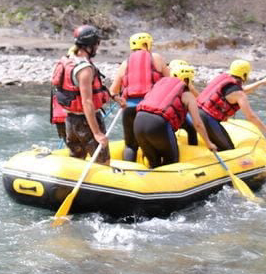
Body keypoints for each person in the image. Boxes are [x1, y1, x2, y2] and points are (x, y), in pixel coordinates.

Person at [134, 61, 216, 168]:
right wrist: (209, 143)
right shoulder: (187, 94)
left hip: (138, 122)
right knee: (171, 163)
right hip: (158, 125)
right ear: (188, 80)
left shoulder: (160, 84)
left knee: (154, 164)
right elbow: (197, 123)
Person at [51, 25, 113, 164]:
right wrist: (97, 133)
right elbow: (87, 102)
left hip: (70, 121)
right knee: (103, 162)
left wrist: (114, 96)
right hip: (86, 122)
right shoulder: (85, 69)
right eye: (96, 44)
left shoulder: (69, 60)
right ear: (90, 45)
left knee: (76, 160)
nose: (97, 47)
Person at [108, 32, 170, 162]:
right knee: (154, 145)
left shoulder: (125, 63)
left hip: (129, 109)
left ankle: (127, 174)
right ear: (147, 44)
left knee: (130, 146)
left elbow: (112, 91)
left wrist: (120, 100)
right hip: (150, 111)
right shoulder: (156, 58)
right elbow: (170, 83)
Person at [195, 59, 266, 151]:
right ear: (245, 75)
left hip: (193, 113)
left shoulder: (223, 78)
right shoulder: (238, 94)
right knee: (229, 149)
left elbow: (242, 90)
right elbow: (251, 116)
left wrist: (262, 82)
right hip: (206, 119)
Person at [50, 45, 77, 140]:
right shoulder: (79, 68)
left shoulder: (59, 67)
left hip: (59, 113)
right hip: (75, 115)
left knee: (69, 141)